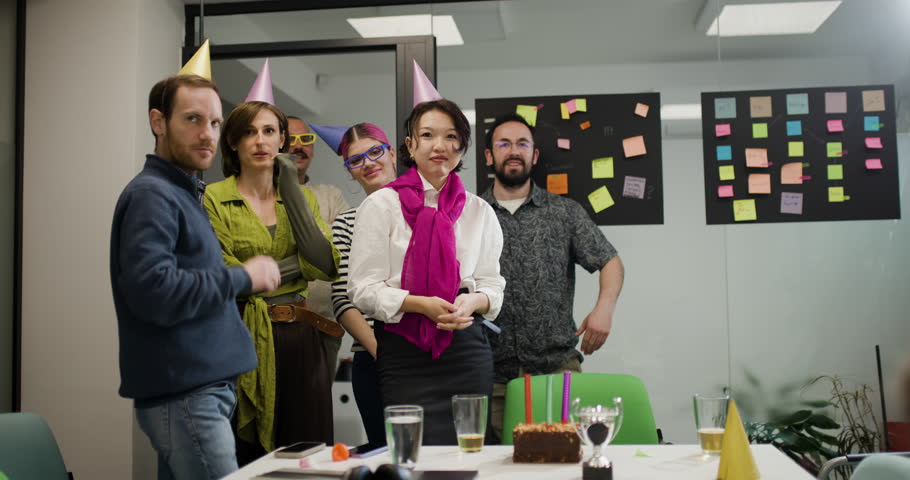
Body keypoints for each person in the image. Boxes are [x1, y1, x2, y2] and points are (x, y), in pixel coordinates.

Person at [110, 74, 281, 480]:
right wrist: (243, 278)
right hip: (186, 395)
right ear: (158, 122)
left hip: (198, 392)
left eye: (215, 123)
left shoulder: (182, 192)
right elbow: (154, 289)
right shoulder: (154, 194)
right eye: (192, 119)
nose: (208, 134)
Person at [348, 100, 506, 445]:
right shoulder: (380, 206)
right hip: (405, 350)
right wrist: (421, 305)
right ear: (410, 145)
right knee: (411, 452)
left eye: (451, 137)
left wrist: (473, 302)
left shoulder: (479, 211)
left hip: (466, 347)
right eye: (428, 135)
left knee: (470, 449)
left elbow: (492, 283)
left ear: (462, 147)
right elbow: (362, 289)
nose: (439, 146)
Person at [203, 100, 340, 463]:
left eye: (268, 131)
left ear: (282, 140)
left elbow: (324, 263)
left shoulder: (303, 196)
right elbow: (224, 269)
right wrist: (294, 266)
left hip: (302, 339)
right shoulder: (214, 197)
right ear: (232, 142)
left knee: (308, 455)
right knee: (246, 455)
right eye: (249, 132)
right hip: (241, 337)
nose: (260, 141)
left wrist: (291, 187)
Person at [480, 113, 625, 440]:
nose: (513, 151)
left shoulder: (564, 212)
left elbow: (610, 261)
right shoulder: (471, 213)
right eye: (503, 144)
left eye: (522, 143)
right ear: (489, 156)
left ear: (534, 155)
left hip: (556, 371)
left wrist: (604, 308)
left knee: (561, 463)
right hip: (488, 374)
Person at [329, 123, 399, 446]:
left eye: (375, 152)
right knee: (386, 457)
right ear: (350, 172)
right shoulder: (345, 223)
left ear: (393, 153)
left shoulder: (426, 209)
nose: (368, 163)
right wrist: (383, 355)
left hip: (430, 357)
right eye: (356, 160)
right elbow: (343, 302)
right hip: (373, 362)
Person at [288, 116, 351, 378]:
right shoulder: (263, 195)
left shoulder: (330, 195)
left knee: (318, 413)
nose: (298, 146)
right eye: (290, 139)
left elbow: (343, 247)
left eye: (306, 140)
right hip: (272, 324)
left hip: (324, 325)